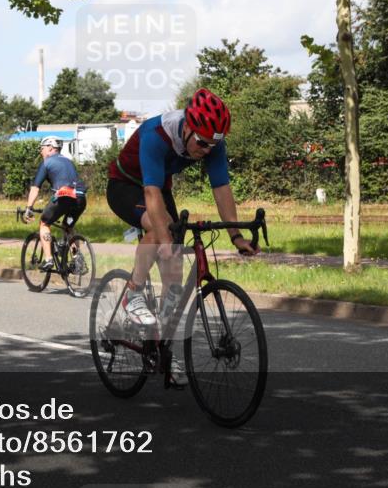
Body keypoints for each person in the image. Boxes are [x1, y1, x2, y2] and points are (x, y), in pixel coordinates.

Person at [107, 88, 256, 332]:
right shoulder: (157, 135)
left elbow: (221, 188)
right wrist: (164, 239)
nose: (207, 149)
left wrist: (236, 236)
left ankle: (160, 347)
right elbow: (150, 193)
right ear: (187, 127)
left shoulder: (211, 141)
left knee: (173, 272)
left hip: (158, 186)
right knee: (162, 232)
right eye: (203, 142)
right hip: (125, 185)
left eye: (213, 144)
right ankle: (132, 294)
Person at [21, 136, 87, 271]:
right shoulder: (69, 161)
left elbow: (35, 188)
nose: (41, 152)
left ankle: (48, 259)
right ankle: (77, 259)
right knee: (68, 227)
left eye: (42, 149)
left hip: (64, 197)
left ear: (50, 148)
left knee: (44, 223)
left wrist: (29, 208)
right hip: (80, 198)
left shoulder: (46, 163)